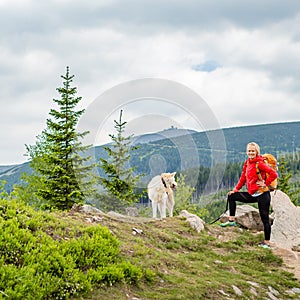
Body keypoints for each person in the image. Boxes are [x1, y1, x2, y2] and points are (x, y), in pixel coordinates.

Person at [220, 142, 278, 249]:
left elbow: (274, 174)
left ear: (257, 152)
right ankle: (231, 221)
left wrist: (265, 183)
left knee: (265, 218)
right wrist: (235, 190)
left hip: (262, 195)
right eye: (249, 151)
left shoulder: (259, 163)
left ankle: (267, 242)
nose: (251, 153)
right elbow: (243, 178)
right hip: (252, 194)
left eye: (253, 151)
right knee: (231, 196)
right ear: (247, 152)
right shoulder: (247, 163)